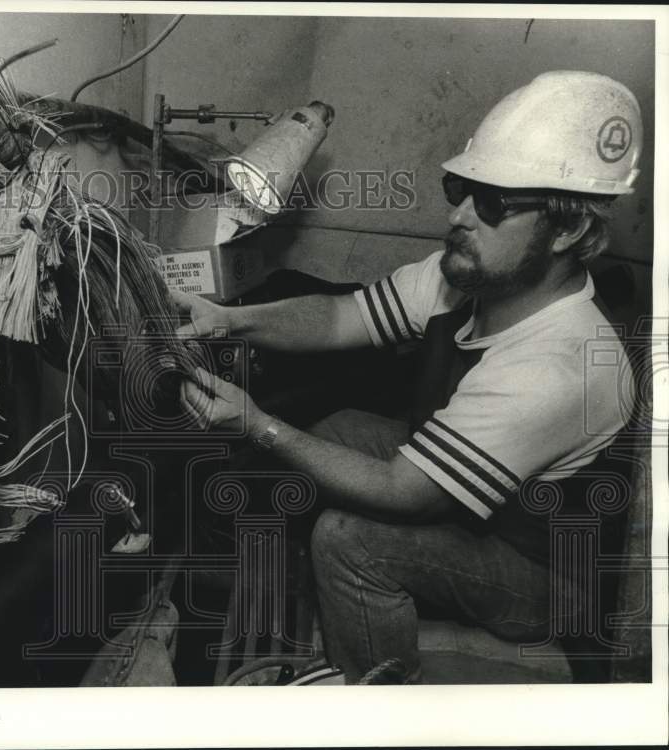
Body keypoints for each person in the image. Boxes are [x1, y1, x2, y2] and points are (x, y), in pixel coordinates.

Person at [172, 70, 643, 684]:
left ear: (570, 231)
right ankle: (277, 619)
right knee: (341, 426)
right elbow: (340, 316)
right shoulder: (465, 277)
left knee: (348, 539)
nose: (459, 214)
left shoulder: (560, 363)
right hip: (482, 510)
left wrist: (259, 424)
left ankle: (382, 697)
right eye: (461, 188)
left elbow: (403, 491)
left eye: (493, 203)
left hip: (543, 577)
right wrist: (229, 319)